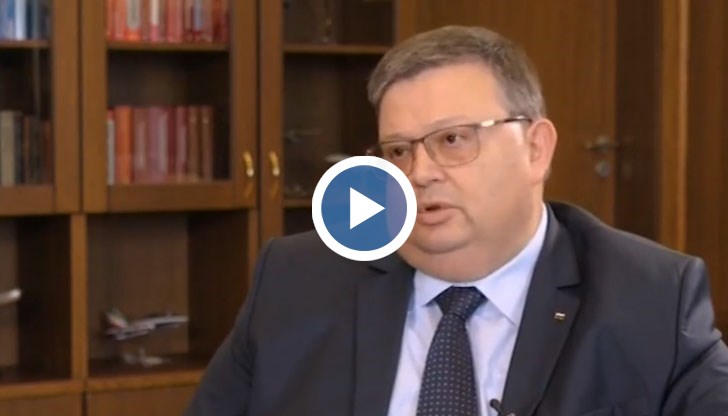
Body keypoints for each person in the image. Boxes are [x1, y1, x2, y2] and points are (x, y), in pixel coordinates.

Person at [184, 25, 728, 416]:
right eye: (399, 151)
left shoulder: (652, 299)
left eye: (452, 140)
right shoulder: (297, 280)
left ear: (536, 149)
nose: (419, 173)